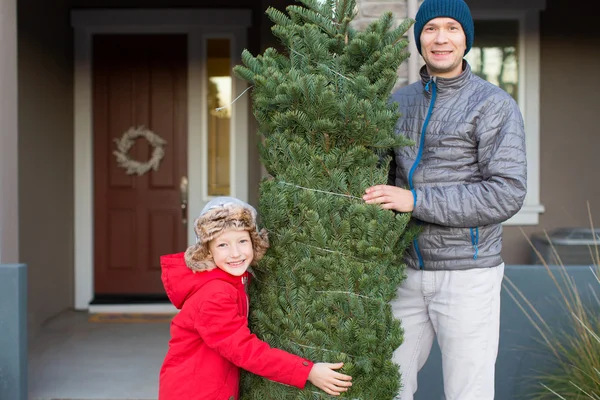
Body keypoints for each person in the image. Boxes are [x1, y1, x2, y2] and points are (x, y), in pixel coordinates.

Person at [362, 0, 527, 398]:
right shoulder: (399, 103)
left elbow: (506, 192)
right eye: (430, 28)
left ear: (465, 38)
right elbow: (379, 179)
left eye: (451, 28)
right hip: (404, 270)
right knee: (389, 386)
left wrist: (415, 201)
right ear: (418, 37)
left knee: (467, 391)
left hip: (467, 274)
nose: (440, 38)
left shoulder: (494, 105)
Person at [158, 196, 352, 400]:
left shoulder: (234, 281)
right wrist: (307, 371)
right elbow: (244, 350)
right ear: (207, 252)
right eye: (223, 245)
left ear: (253, 242)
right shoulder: (214, 295)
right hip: (195, 392)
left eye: (242, 241)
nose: (235, 253)